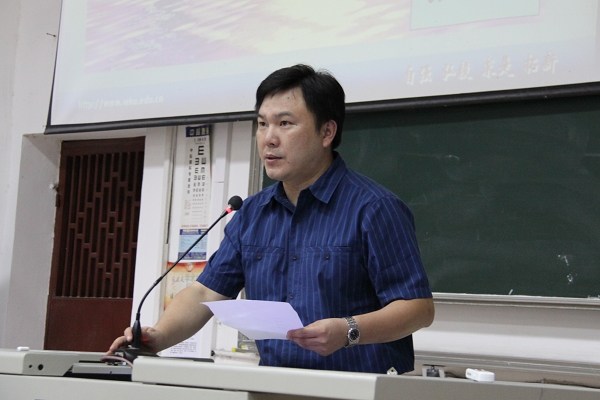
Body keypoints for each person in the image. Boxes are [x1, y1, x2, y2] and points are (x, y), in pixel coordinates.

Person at [108, 64, 434, 374]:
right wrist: (158, 336)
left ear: (327, 132)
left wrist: (348, 330)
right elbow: (205, 293)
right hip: (274, 384)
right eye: (262, 124)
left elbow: (417, 309)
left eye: (285, 123)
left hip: (357, 388)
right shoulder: (252, 214)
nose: (269, 138)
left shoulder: (374, 209)